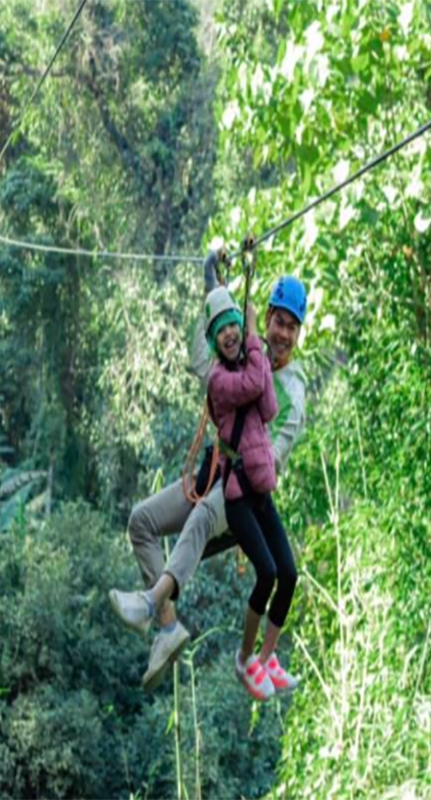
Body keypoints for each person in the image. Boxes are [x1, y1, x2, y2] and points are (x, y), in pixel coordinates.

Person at [109, 251, 308, 692]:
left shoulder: (290, 386)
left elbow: (273, 454)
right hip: (209, 476)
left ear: (298, 335)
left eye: (292, 328)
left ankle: (149, 601)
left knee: (200, 526)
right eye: (278, 322)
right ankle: (166, 629)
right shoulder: (236, 361)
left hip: (244, 490)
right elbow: (213, 343)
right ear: (268, 318)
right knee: (141, 521)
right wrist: (211, 280)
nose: (283, 334)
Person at [206, 288, 299, 701]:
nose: (231, 336)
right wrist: (253, 340)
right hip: (237, 492)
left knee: (289, 575)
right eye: (222, 331)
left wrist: (257, 352)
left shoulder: (256, 365)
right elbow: (246, 387)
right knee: (266, 573)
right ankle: (245, 658)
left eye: (235, 329)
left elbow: (270, 408)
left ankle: (265, 655)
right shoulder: (220, 378)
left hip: (261, 488)